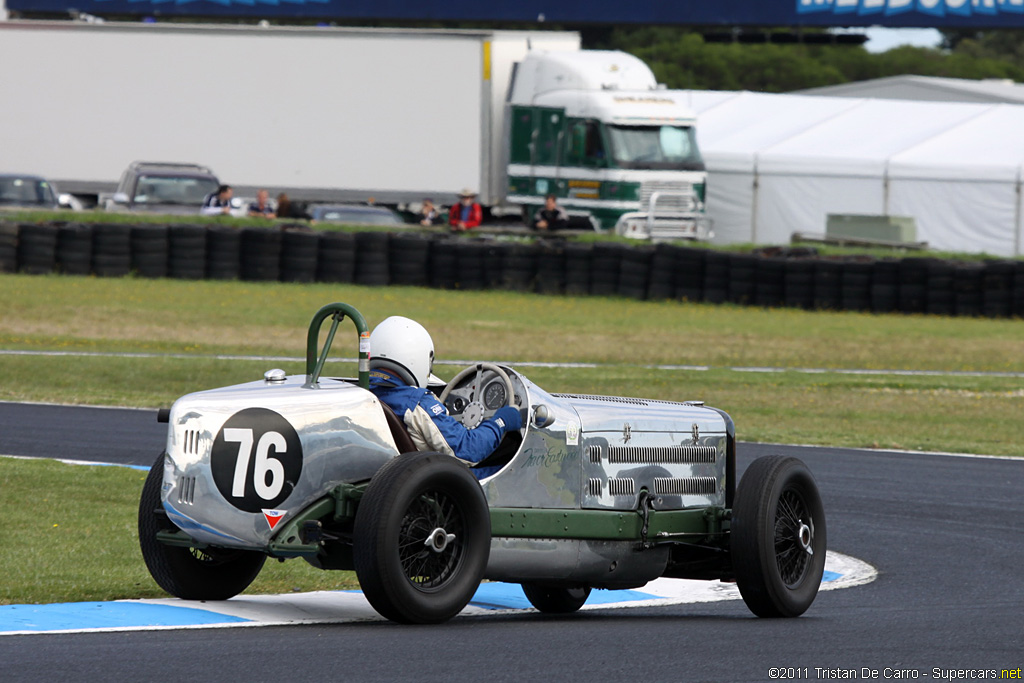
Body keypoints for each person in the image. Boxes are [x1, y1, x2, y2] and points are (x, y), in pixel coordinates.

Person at [367, 316, 522, 479]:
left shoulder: (362, 394)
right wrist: (500, 422)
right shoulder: (417, 404)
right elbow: (468, 450)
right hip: (430, 484)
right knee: (516, 471)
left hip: (386, 478)